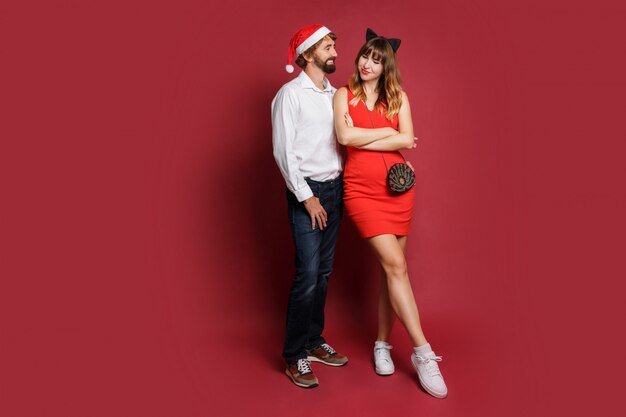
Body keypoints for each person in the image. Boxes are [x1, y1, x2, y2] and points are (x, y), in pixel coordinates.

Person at [333, 28, 448, 398]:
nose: (368, 64)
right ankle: (422, 352)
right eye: (366, 56)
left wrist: (379, 134)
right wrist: (388, 133)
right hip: (362, 193)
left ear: (386, 67)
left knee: (390, 270)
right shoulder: (342, 95)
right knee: (397, 266)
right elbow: (345, 139)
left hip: (398, 190)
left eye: (377, 60)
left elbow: (407, 140)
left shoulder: (399, 98)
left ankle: (382, 344)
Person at [271, 24, 348, 389]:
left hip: (336, 189)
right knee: (307, 274)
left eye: (333, 45)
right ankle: (294, 355)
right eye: (327, 46)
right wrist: (308, 197)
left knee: (324, 272)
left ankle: (314, 341)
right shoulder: (290, 95)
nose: (334, 51)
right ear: (308, 54)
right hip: (309, 194)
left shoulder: (334, 94)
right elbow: (284, 153)